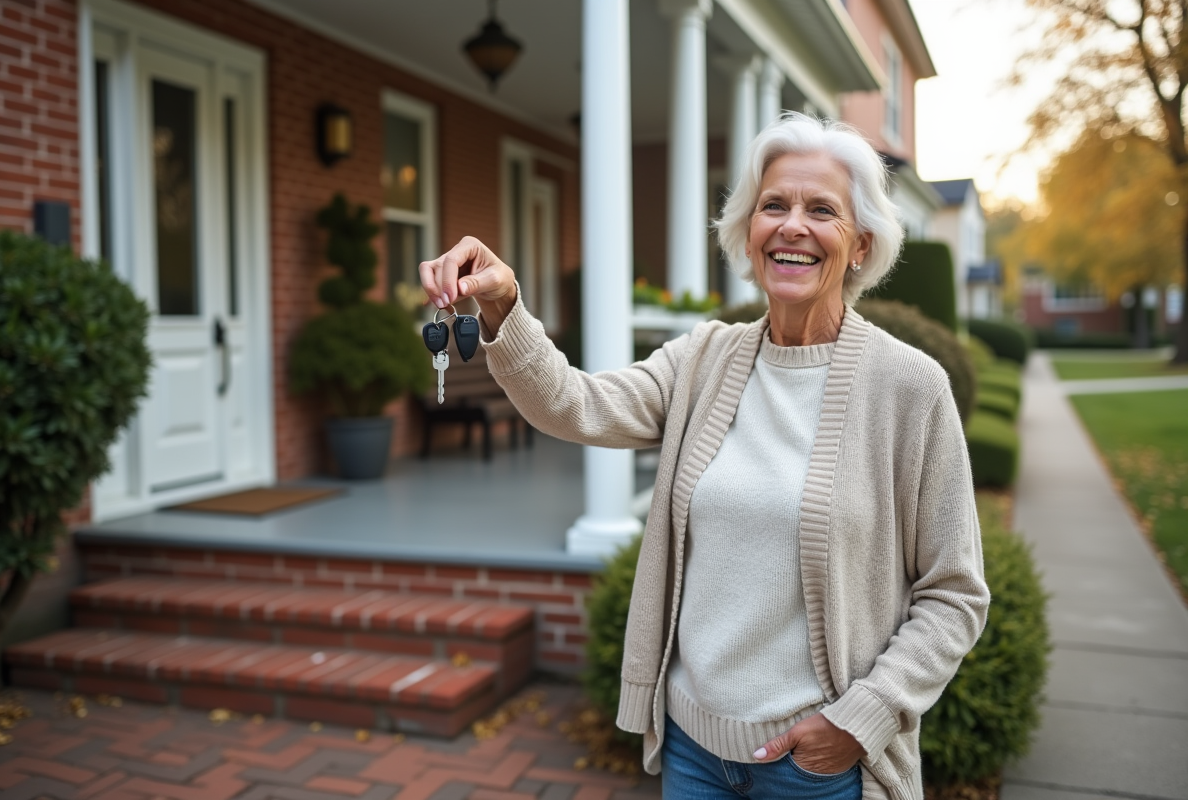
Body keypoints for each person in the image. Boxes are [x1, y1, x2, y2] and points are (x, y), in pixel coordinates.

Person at [419, 112, 989, 800]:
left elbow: (954, 593)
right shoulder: (704, 359)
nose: (792, 226)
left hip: (817, 767)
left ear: (861, 244)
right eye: (773, 205)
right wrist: (507, 305)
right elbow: (575, 404)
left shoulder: (910, 388)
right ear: (748, 234)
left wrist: (858, 721)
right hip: (693, 752)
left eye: (821, 210)